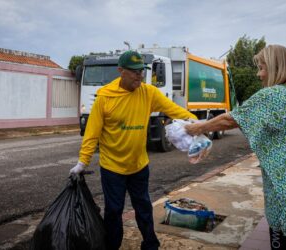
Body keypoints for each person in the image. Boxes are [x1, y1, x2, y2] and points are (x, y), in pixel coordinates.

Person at [185, 45, 286, 250]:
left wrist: (198, 127)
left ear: (276, 68)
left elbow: (231, 120)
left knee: (282, 241)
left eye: (262, 68)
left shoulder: (270, 95)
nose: (259, 74)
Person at [70, 50, 197, 250]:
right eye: (135, 71)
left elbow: (173, 109)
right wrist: (82, 162)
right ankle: (112, 246)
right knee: (113, 211)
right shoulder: (105, 97)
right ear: (121, 71)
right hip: (112, 168)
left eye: (142, 71)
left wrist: (198, 124)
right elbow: (92, 134)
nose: (139, 75)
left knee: (144, 208)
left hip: (139, 165)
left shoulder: (148, 92)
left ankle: (150, 245)